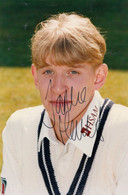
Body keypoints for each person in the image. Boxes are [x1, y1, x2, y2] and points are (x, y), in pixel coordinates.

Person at [1, 12, 128, 195]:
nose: (58, 88)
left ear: (99, 76)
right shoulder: (20, 128)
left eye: (73, 72)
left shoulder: (122, 131)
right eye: (48, 72)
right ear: (35, 76)